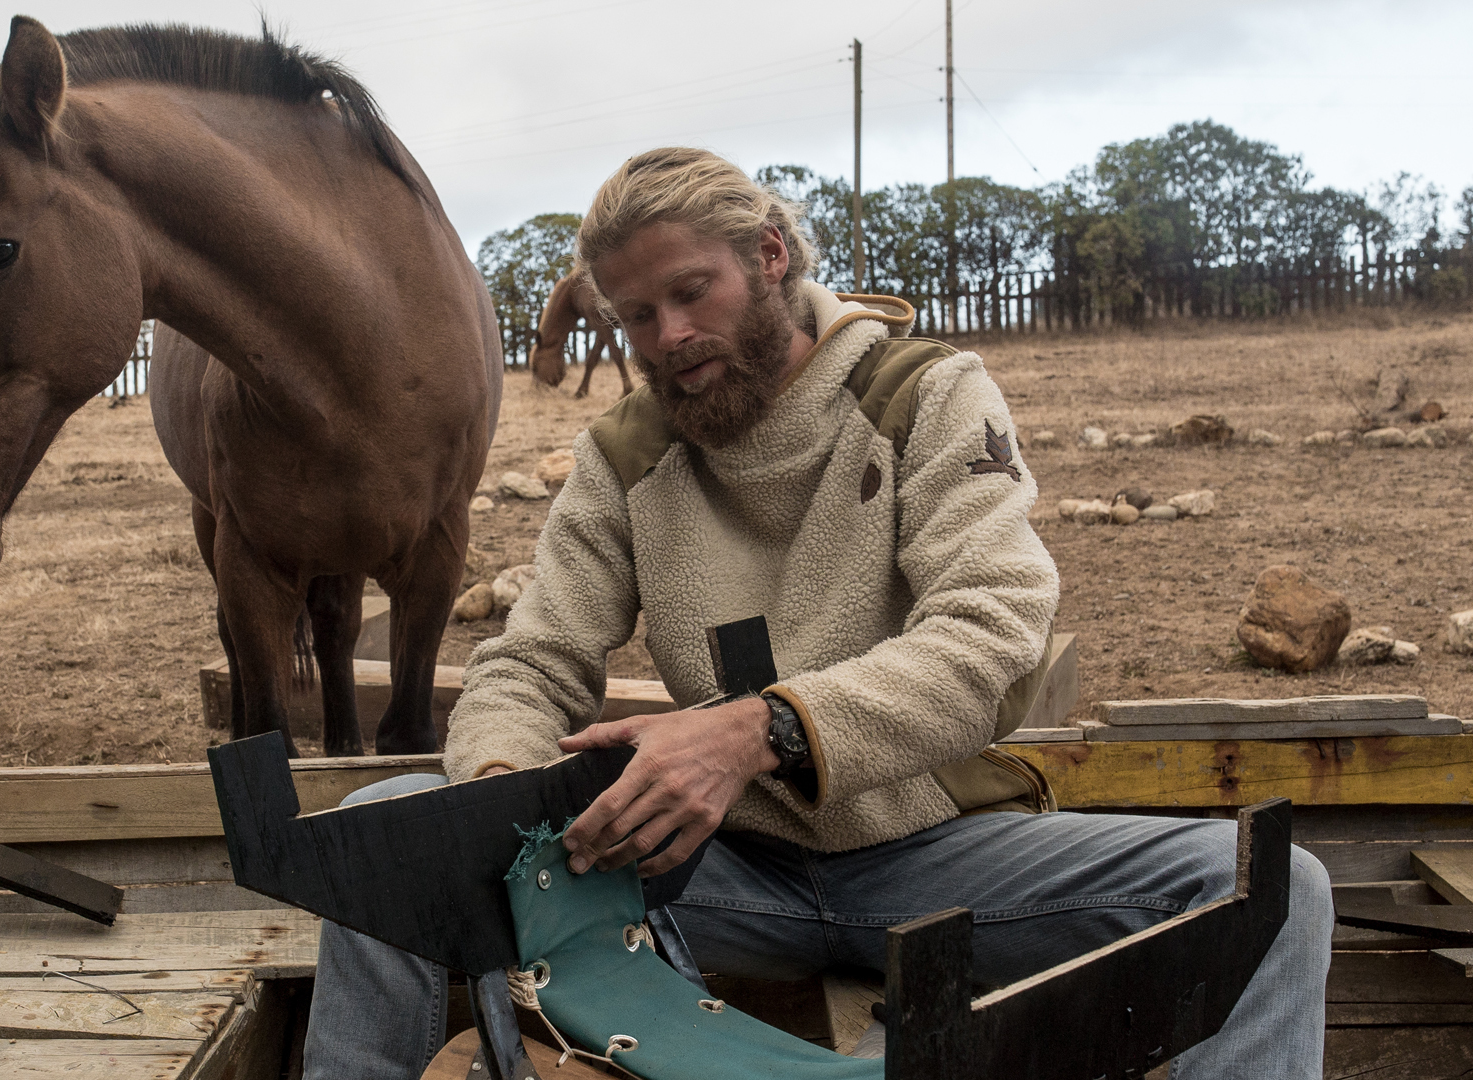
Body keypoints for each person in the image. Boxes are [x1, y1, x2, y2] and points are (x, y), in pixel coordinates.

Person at [304, 148, 1332, 1079]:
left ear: (768, 253)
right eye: (635, 319)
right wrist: (500, 799)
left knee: (1277, 891)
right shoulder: (624, 455)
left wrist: (761, 729)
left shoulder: (925, 396)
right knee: (380, 834)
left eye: (689, 292)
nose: (669, 338)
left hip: (938, 860)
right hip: (708, 869)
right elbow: (533, 661)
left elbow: (992, 632)